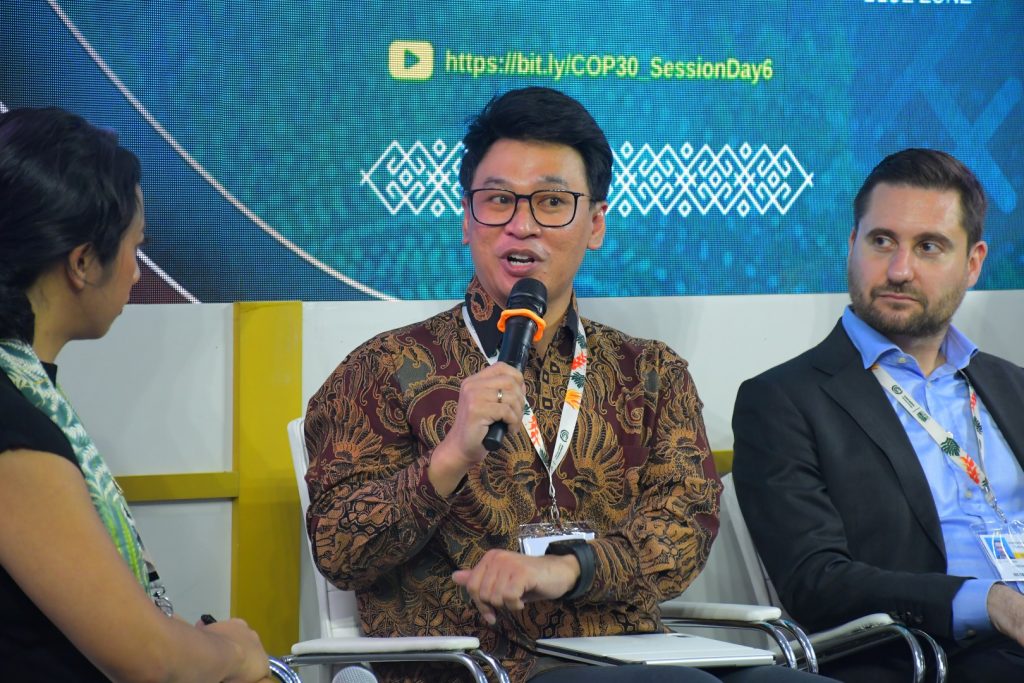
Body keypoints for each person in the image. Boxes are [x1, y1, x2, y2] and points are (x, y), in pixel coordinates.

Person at [305, 87, 833, 683]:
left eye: (552, 202)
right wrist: (448, 458)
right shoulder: (383, 370)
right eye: (498, 200)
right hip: (484, 668)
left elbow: (682, 529)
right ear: (467, 219)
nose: (521, 226)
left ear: (595, 224)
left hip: (634, 656)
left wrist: (566, 569)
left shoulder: (651, 374)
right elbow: (339, 551)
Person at [0, 107, 272, 682]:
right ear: (81, 262)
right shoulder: (11, 425)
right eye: (134, 247)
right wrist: (237, 653)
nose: (135, 273)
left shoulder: (27, 397)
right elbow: (149, 658)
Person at [732, 148, 1024, 681]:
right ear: (852, 244)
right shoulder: (783, 401)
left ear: (973, 263)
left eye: (929, 247)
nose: (899, 270)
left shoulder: (1014, 388)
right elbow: (815, 581)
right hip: (938, 656)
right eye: (882, 241)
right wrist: (990, 602)